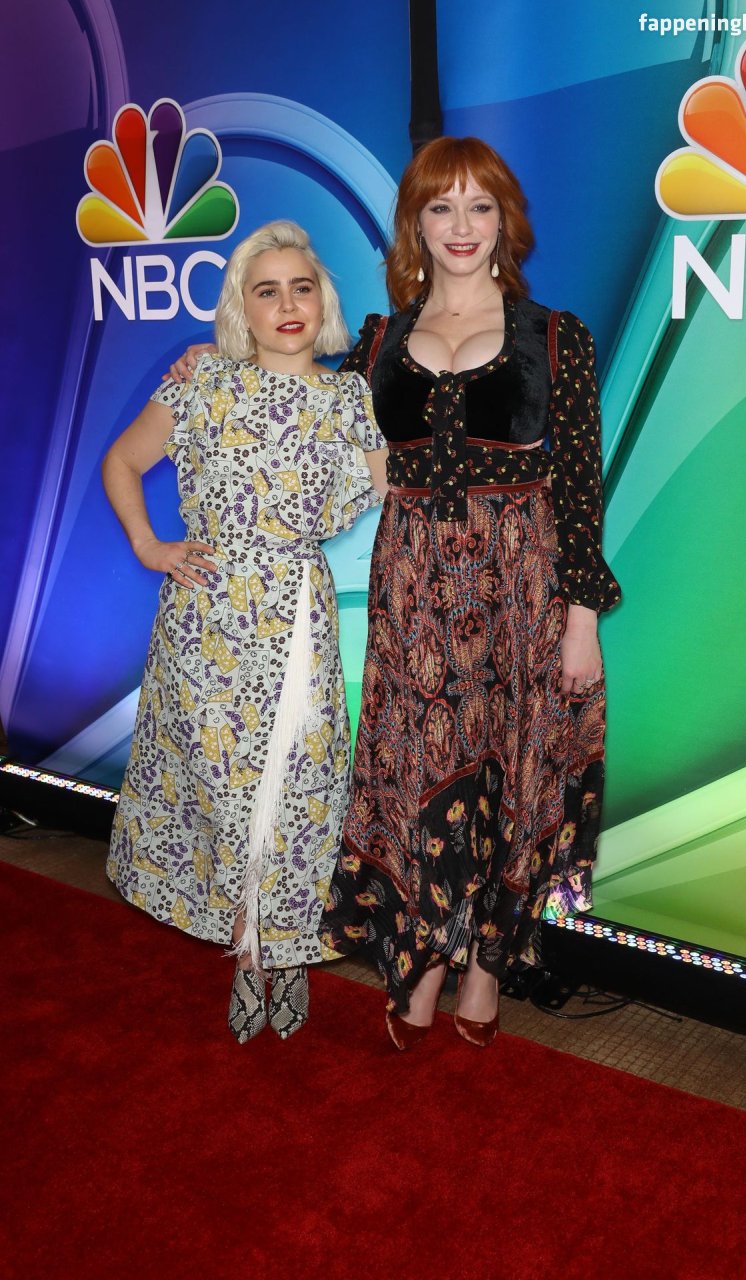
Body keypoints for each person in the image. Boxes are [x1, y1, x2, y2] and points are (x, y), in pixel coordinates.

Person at [170, 137, 621, 1051]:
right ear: (415, 223)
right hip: (412, 592)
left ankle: (486, 967)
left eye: (479, 206)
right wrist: (210, 366)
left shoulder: (554, 336)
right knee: (415, 775)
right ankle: (420, 962)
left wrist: (581, 622)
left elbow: (580, 485)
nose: (461, 226)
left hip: (522, 590)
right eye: (439, 207)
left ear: (505, 221)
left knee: (514, 773)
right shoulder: (376, 342)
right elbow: (290, 396)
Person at [103, 220, 387, 1044]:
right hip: (207, 626)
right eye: (267, 290)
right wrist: (149, 545)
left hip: (296, 621)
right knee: (226, 795)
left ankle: (283, 952)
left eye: (302, 287)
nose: (287, 304)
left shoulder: (349, 399)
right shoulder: (200, 382)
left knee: (296, 794)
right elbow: (122, 462)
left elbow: (393, 486)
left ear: (322, 301)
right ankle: (246, 947)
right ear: (242, 307)